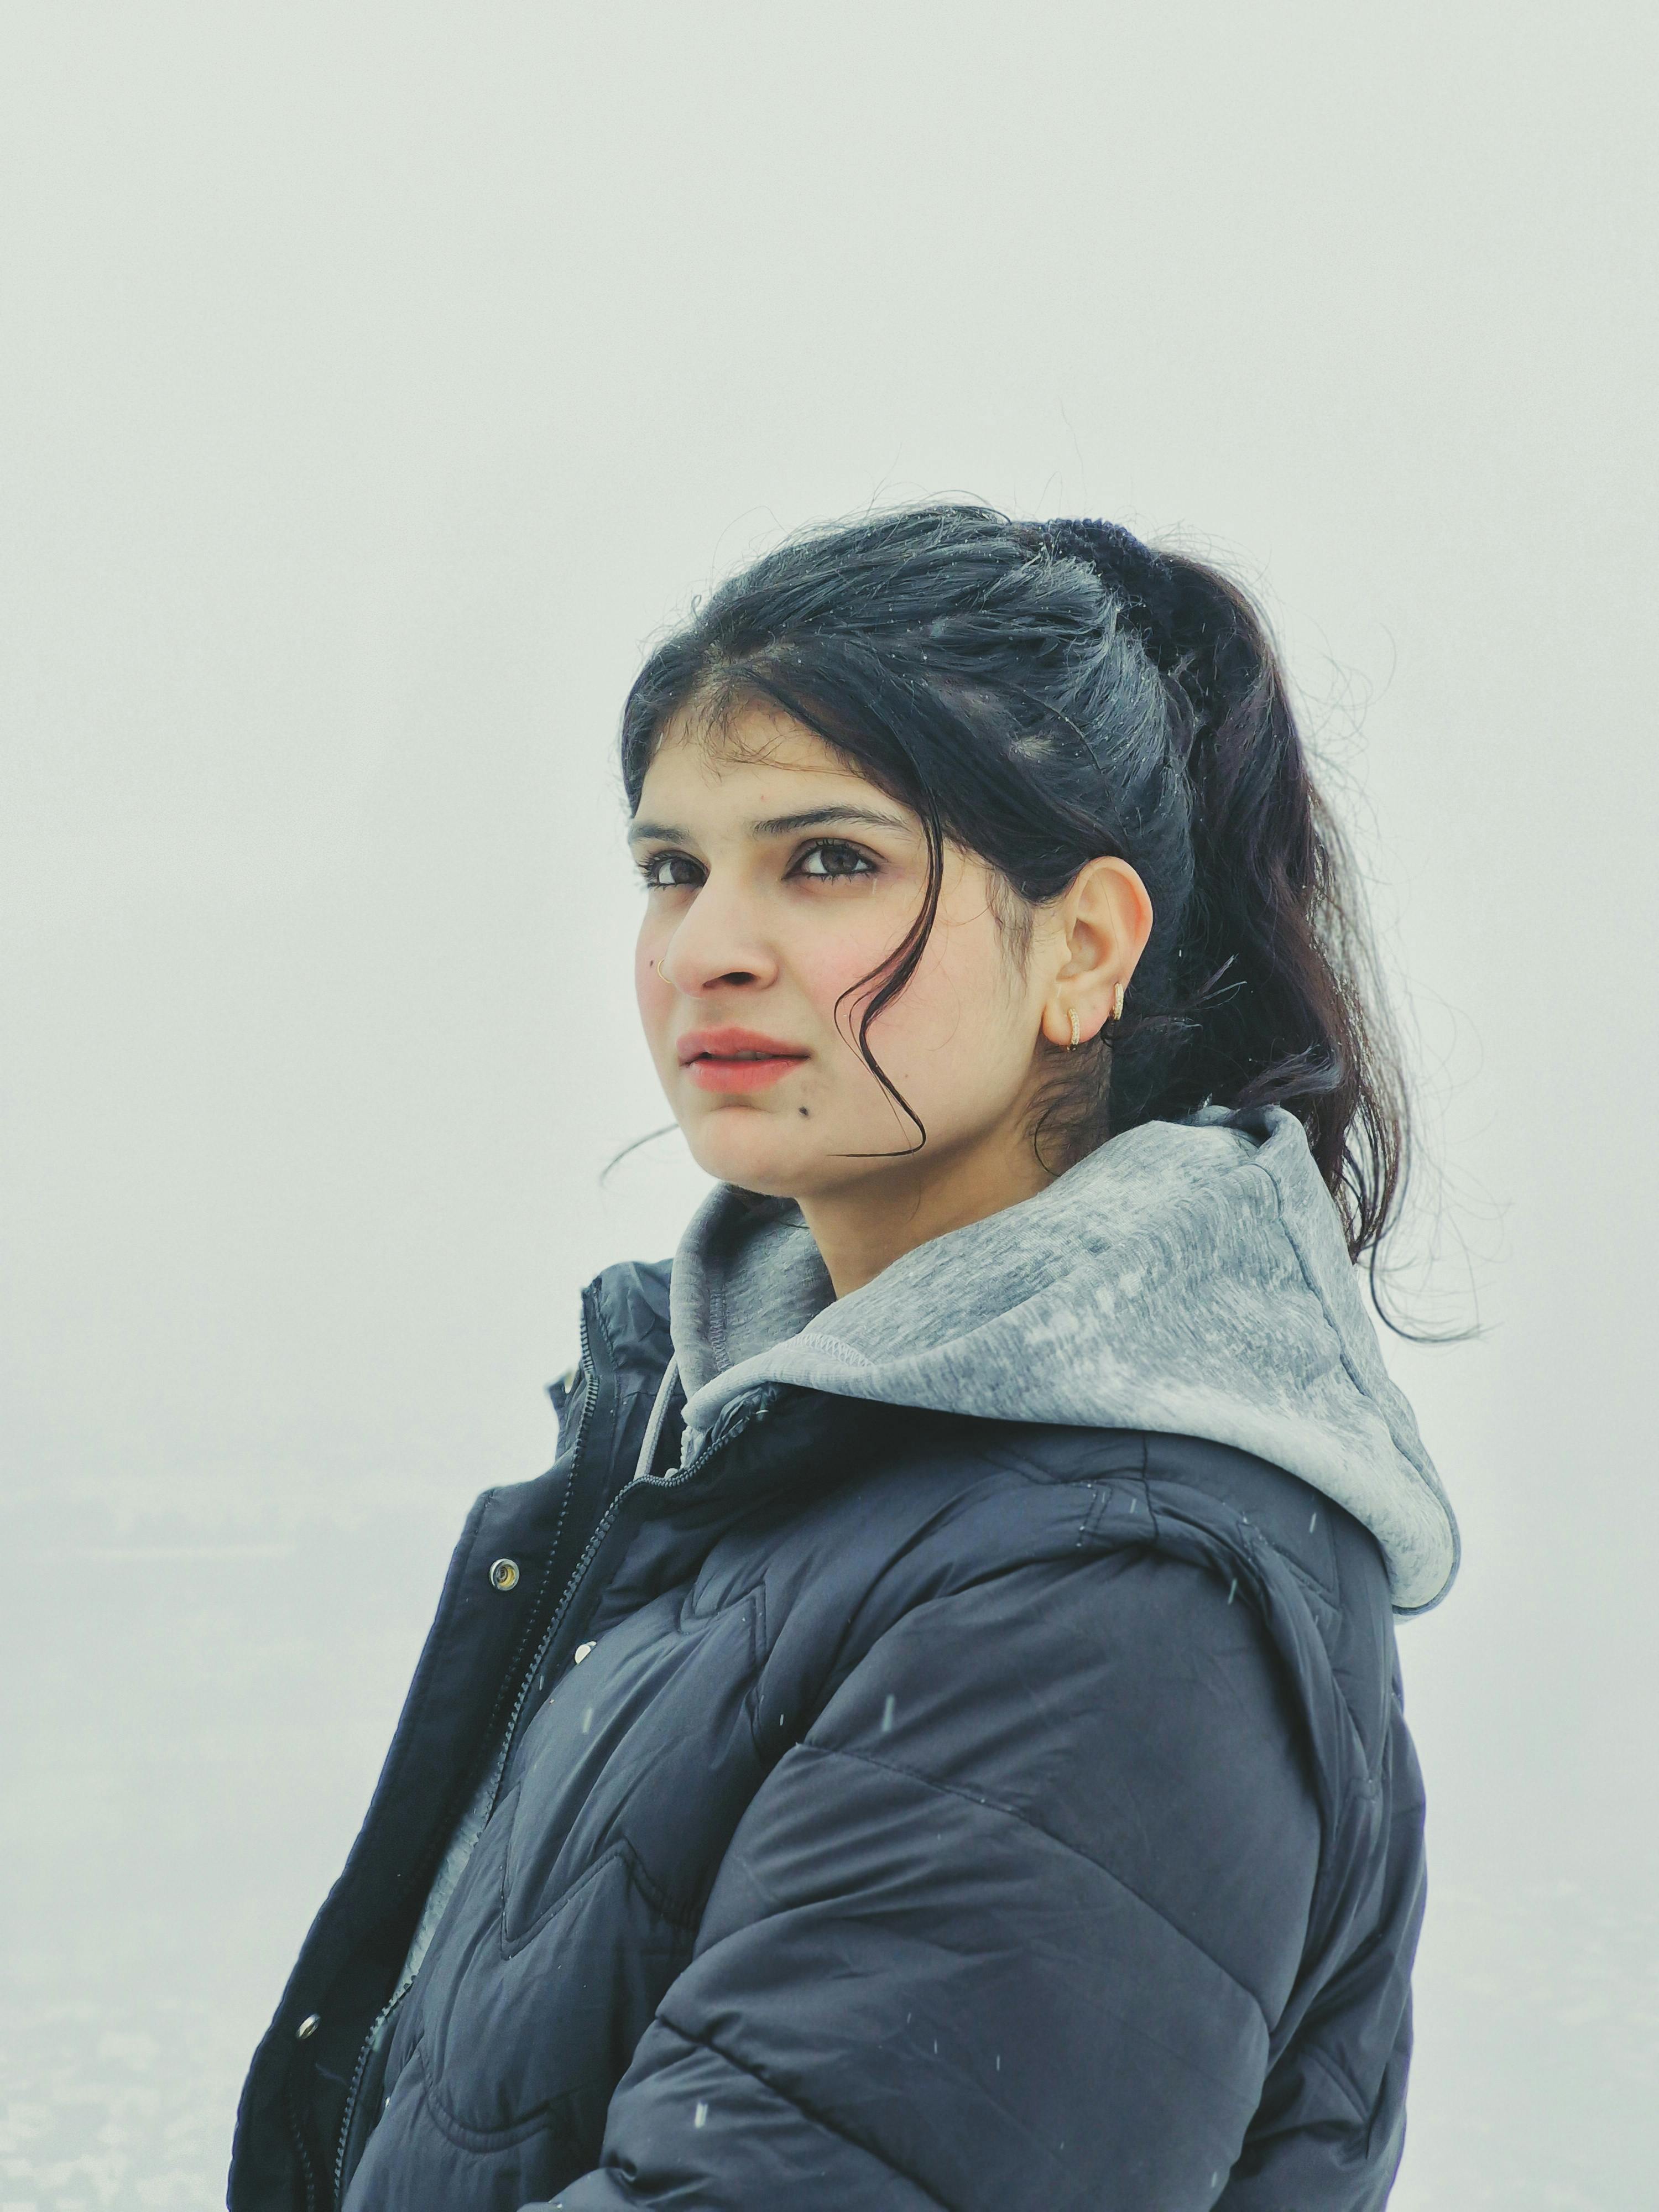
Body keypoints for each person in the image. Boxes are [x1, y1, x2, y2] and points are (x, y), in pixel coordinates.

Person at [228, 504, 1458, 2211]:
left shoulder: (1117, 1590)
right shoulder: (760, 1463)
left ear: (1085, 948)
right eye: (675, 868)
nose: (709, 947)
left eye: (827, 860)